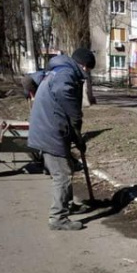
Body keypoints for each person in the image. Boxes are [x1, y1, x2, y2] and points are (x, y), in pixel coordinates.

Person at [28, 47, 96, 231]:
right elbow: (65, 97)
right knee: (62, 174)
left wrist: (76, 136)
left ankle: (67, 204)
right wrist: (76, 121)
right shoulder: (66, 75)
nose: (87, 73)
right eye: (88, 69)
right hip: (50, 131)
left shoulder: (56, 70)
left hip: (49, 127)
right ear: (83, 65)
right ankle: (58, 218)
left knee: (67, 167)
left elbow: (30, 79)